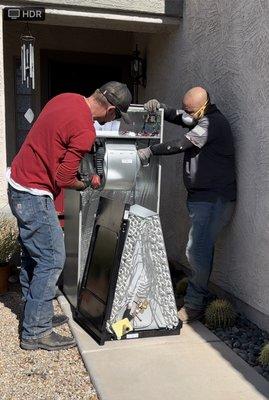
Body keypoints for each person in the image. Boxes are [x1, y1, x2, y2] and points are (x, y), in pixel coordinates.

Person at [7, 81, 132, 350]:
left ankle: (35, 316)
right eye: (117, 116)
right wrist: (85, 182)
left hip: (17, 183)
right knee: (52, 259)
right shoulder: (85, 130)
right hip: (34, 193)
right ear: (111, 110)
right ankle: (35, 333)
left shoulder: (67, 98)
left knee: (34, 256)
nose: (112, 120)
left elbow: (54, 144)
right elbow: (64, 178)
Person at [138, 87, 236, 323]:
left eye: (191, 109)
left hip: (213, 200)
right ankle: (195, 299)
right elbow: (183, 117)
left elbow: (181, 144)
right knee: (198, 250)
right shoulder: (200, 117)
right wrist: (162, 109)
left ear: (204, 106)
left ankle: (193, 306)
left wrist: (150, 150)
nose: (188, 114)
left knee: (197, 251)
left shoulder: (211, 124)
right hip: (204, 198)